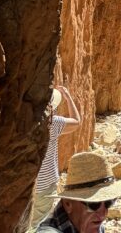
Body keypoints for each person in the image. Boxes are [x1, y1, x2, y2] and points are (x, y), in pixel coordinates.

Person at [36, 150, 121, 233]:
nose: (102, 214)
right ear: (68, 204)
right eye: (94, 204)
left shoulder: (93, 225)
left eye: (109, 202)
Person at [29, 85, 81, 230]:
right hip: (45, 185)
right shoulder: (53, 123)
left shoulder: (25, 123)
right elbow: (76, 121)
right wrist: (68, 97)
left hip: (26, 184)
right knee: (38, 225)